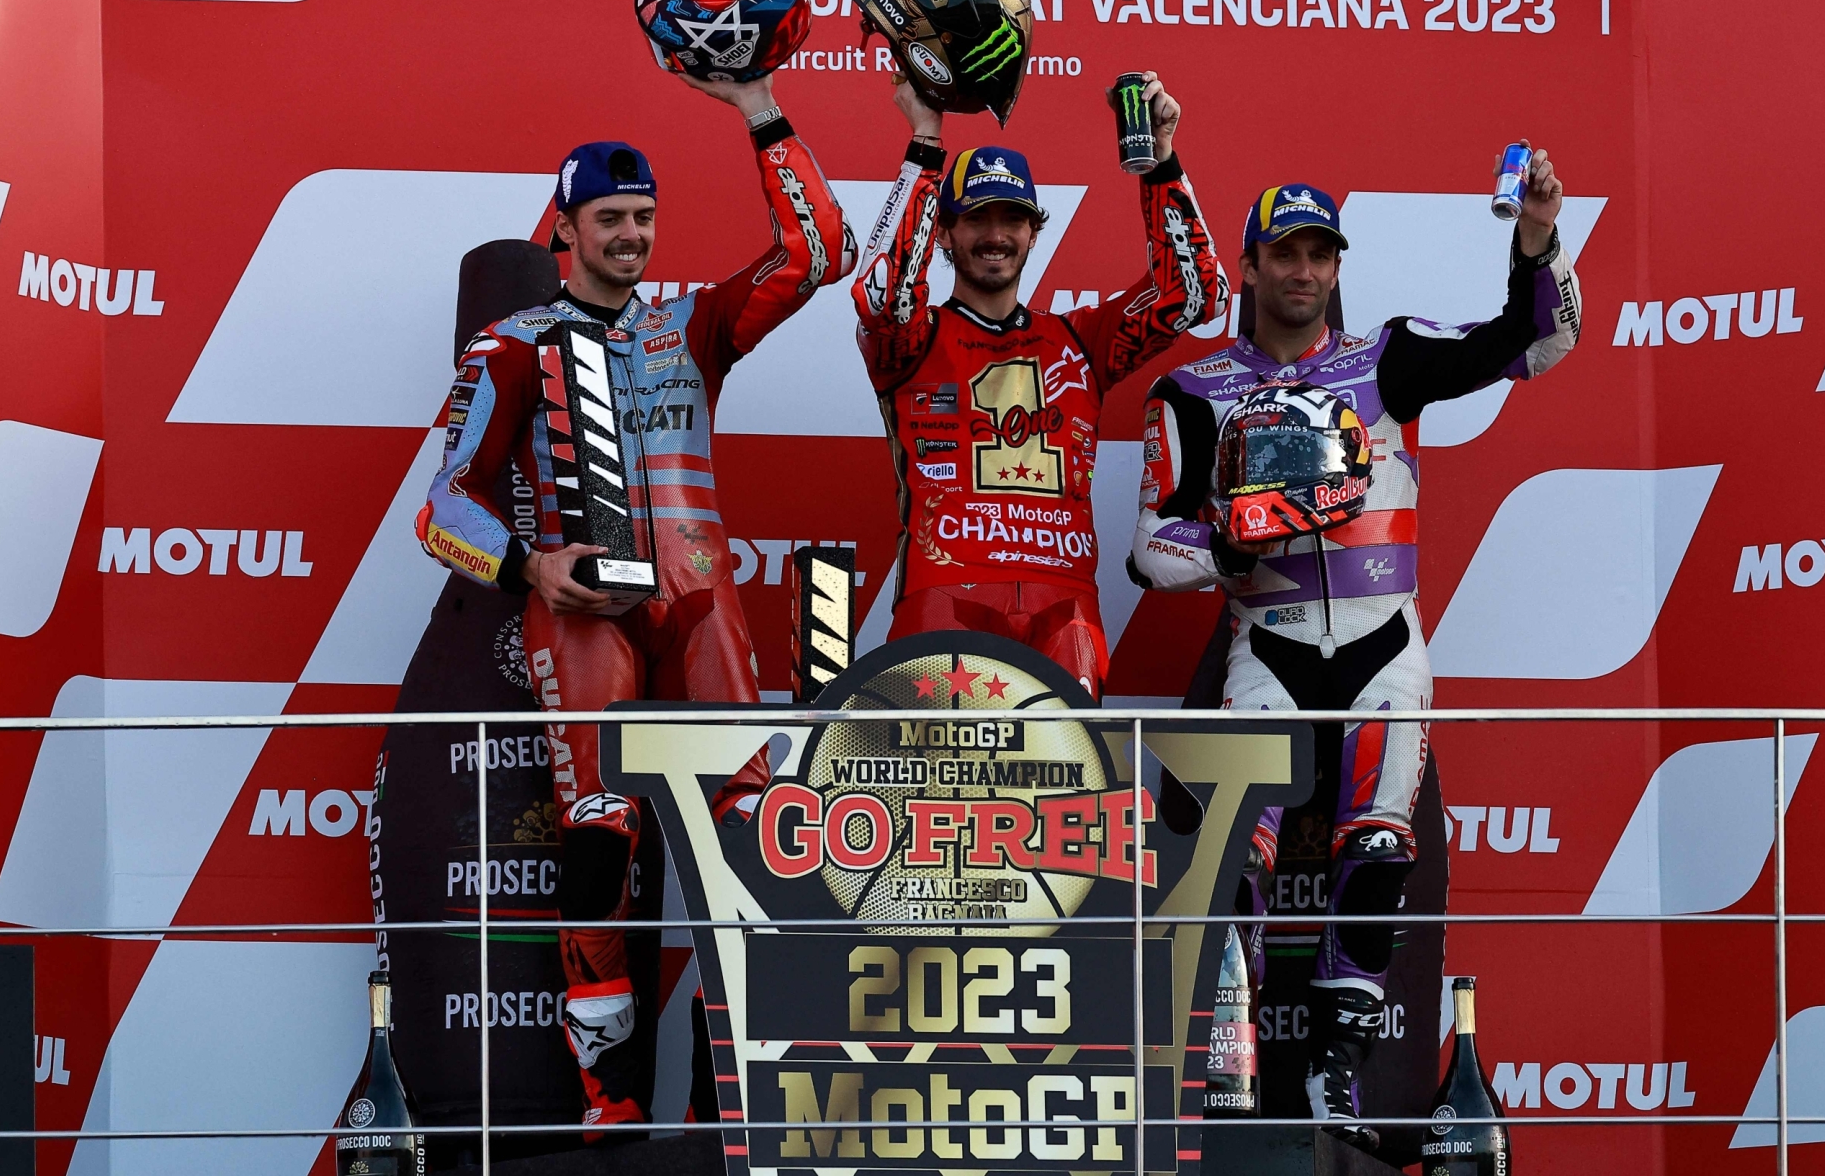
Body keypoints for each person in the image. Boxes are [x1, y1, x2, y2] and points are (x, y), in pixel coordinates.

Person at [415, 72, 850, 1130]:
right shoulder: (511, 344)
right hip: (583, 618)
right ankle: (609, 1105)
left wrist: (757, 104)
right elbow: (441, 506)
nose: (630, 236)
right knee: (599, 846)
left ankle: (723, 1100)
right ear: (565, 228)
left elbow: (817, 254)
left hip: (705, 615)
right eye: (609, 218)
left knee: (745, 852)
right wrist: (528, 568)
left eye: (644, 217)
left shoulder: (694, 323)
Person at [1129, 151, 1580, 1147]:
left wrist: (1537, 237)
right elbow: (1149, 552)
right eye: (1283, 252)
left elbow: (1542, 340)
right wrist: (1240, 534)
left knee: (1377, 847)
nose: (1303, 270)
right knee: (1232, 855)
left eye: (1319, 252)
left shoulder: (1389, 359)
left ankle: (1337, 1070)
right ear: (1247, 267)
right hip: (1267, 645)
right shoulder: (1194, 390)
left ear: (1338, 264)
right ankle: (1230, 1061)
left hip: (1384, 647)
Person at [850, 74, 1227, 699]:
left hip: (1066, 605)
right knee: (939, 794)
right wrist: (926, 140)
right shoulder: (911, 342)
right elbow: (879, 294)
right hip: (945, 594)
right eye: (976, 218)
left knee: (1064, 788)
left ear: (1033, 233)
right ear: (943, 233)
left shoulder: (1081, 340)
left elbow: (1194, 294)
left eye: (1012, 219)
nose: (995, 234)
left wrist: (1161, 158)